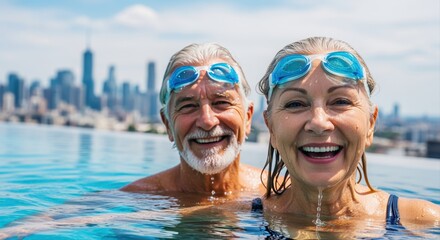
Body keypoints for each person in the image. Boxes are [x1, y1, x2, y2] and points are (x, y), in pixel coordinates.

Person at [254, 37, 439, 236]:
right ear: (271, 128)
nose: (319, 123)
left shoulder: (423, 221)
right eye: (296, 104)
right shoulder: (241, 213)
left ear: (371, 124)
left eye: (340, 101)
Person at [121, 43, 264, 198]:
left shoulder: (283, 194)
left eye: (221, 103)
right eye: (189, 106)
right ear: (168, 125)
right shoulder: (136, 199)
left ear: (247, 118)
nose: (207, 121)